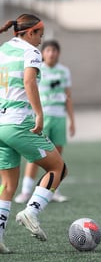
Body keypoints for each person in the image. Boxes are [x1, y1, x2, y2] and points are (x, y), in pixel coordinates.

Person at [0, 14, 68, 254]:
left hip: (0, 124)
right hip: (19, 123)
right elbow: (29, 81)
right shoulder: (31, 52)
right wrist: (39, 114)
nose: (41, 39)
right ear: (30, 33)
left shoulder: (3, 49)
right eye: (40, 34)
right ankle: (31, 212)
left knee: (7, 185)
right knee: (58, 168)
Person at [14, 40, 74, 204]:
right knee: (35, 155)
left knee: (57, 156)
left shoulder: (64, 71)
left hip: (59, 118)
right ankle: (26, 191)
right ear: (43, 53)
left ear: (58, 53)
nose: (51, 53)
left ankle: (54, 191)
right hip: (42, 117)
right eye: (48, 50)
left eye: (54, 50)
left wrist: (72, 120)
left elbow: (68, 96)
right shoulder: (37, 68)